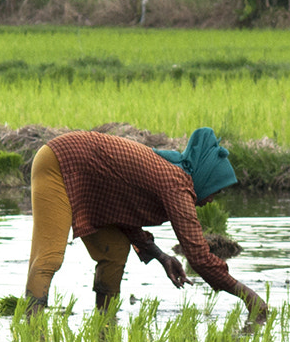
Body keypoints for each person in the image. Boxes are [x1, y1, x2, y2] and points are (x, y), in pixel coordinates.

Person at [24, 128, 269, 325]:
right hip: (58, 161)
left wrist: (161, 257)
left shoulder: (171, 176)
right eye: (217, 190)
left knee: (116, 250)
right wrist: (247, 295)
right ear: (206, 179)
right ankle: (31, 330)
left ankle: (104, 324)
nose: (213, 199)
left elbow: (124, 218)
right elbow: (199, 256)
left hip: (88, 178)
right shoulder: (177, 183)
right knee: (50, 256)